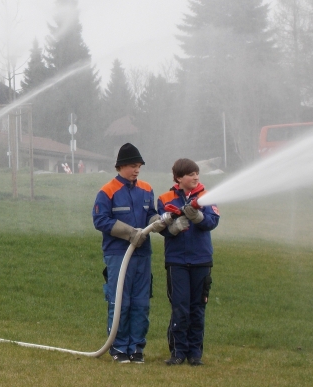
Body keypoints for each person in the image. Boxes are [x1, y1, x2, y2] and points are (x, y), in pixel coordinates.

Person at [92, 143, 166, 364]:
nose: (137, 170)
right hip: (118, 255)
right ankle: (118, 347)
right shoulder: (107, 191)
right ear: (121, 166)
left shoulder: (146, 189)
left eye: (139, 167)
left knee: (141, 302)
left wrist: (158, 222)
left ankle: (136, 348)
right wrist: (129, 233)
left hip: (143, 254)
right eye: (133, 166)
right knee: (120, 301)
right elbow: (100, 220)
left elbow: (151, 214)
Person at [157, 158, 220, 366]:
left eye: (197, 173)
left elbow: (212, 222)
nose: (196, 177)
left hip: (201, 260)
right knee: (180, 307)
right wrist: (173, 228)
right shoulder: (164, 198)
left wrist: (198, 217)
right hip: (177, 262)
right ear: (178, 178)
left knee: (197, 308)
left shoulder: (207, 197)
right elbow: (160, 227)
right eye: (191, 174)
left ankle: (195, 354)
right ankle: (178, 352)